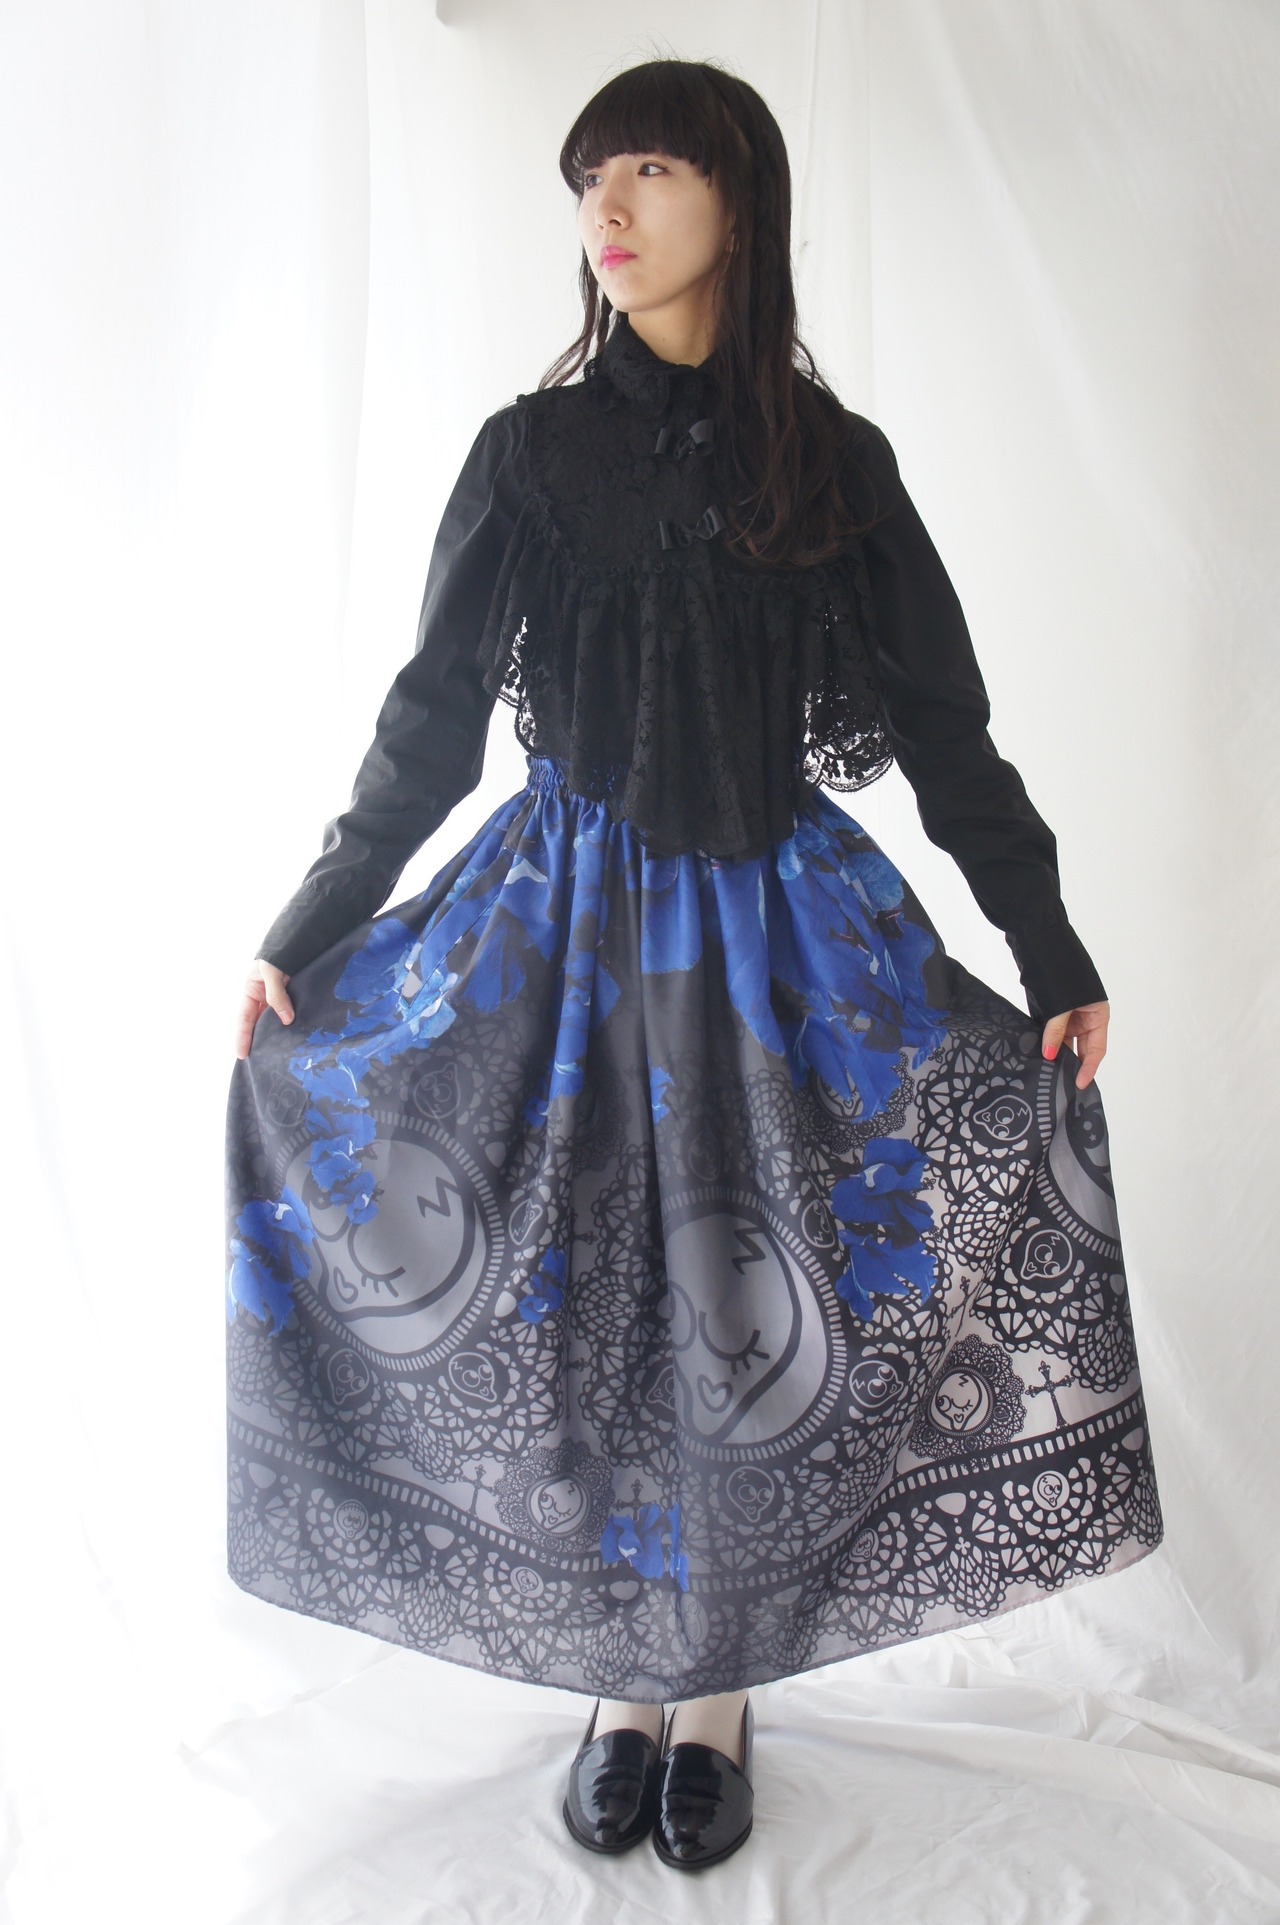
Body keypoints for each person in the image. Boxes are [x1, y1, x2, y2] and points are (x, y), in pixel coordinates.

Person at [225, 58, 1162, 1874]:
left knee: (745, 1290)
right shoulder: (527, 454)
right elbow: (428, 720)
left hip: (765, 949)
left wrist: (1045, 942)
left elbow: (944, 728)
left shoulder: (833, 463)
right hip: (558, 939)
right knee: (583, 1294)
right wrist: (309, 928)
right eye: (591, 174)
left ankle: (718, 1691)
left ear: (740, 199)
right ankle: (623, 1690)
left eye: (650, 166)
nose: (609, 204)